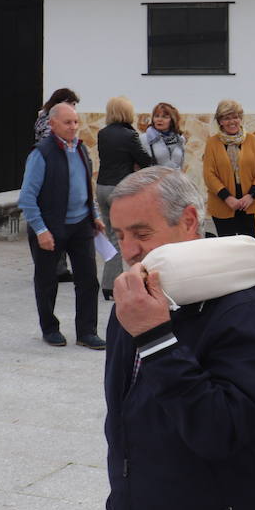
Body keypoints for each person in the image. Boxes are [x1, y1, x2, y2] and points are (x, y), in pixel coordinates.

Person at [104, 167, 255, 510]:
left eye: (142, 232)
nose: (128, 251)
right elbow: (126, 415)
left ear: (189, 221)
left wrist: (156, 338)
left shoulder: (244, 310)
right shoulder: (139, 296)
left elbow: (218, 431)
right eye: (119, 234)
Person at [17, 102, 105, 349]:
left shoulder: (81, 149)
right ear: (52, 124)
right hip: (50, 227)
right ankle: (50, 328)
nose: (73, 127)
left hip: (80, 226)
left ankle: (87, 332)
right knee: (47, 282)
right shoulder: (41, 153)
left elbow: (86, 186)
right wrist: (41, 230)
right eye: (68, 122)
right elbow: (27, 198)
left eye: (76, 122)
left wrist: (95, 214)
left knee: (88, 280)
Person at [96, 96, 154, 300]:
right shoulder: (130, 135)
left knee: (110, 233)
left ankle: (108, 283)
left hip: (101, 187)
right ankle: (112, 284)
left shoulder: (102, 133)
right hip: (120, 189)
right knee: (122, 237)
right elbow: (146, 161)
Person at [33, 87, 80, 282]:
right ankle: (56, 268)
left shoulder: (43, 117)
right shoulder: (48, 123)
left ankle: (57, 267)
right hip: (52, 178)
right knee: (56, 222)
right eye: (72, 103)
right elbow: (51, 148)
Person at [202, 99, 255, 238]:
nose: (232, 121)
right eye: (227, 118)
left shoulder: (252, 140)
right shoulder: (212, 143)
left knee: (251, 244)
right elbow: (209, 175)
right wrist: (228, 198)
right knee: (228, 247)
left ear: (240, 119)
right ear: (220, 121)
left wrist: (251, 195)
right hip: (222, 204)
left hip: (249, 204)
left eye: (235, 117)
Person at [144, 101, 186, 170]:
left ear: (172, 120)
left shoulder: (180, 139)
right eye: (156, 116)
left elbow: (181, 164)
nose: (159, 119)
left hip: (175, 179)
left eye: (164, 117)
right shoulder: (145, 139)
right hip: (155, 179)